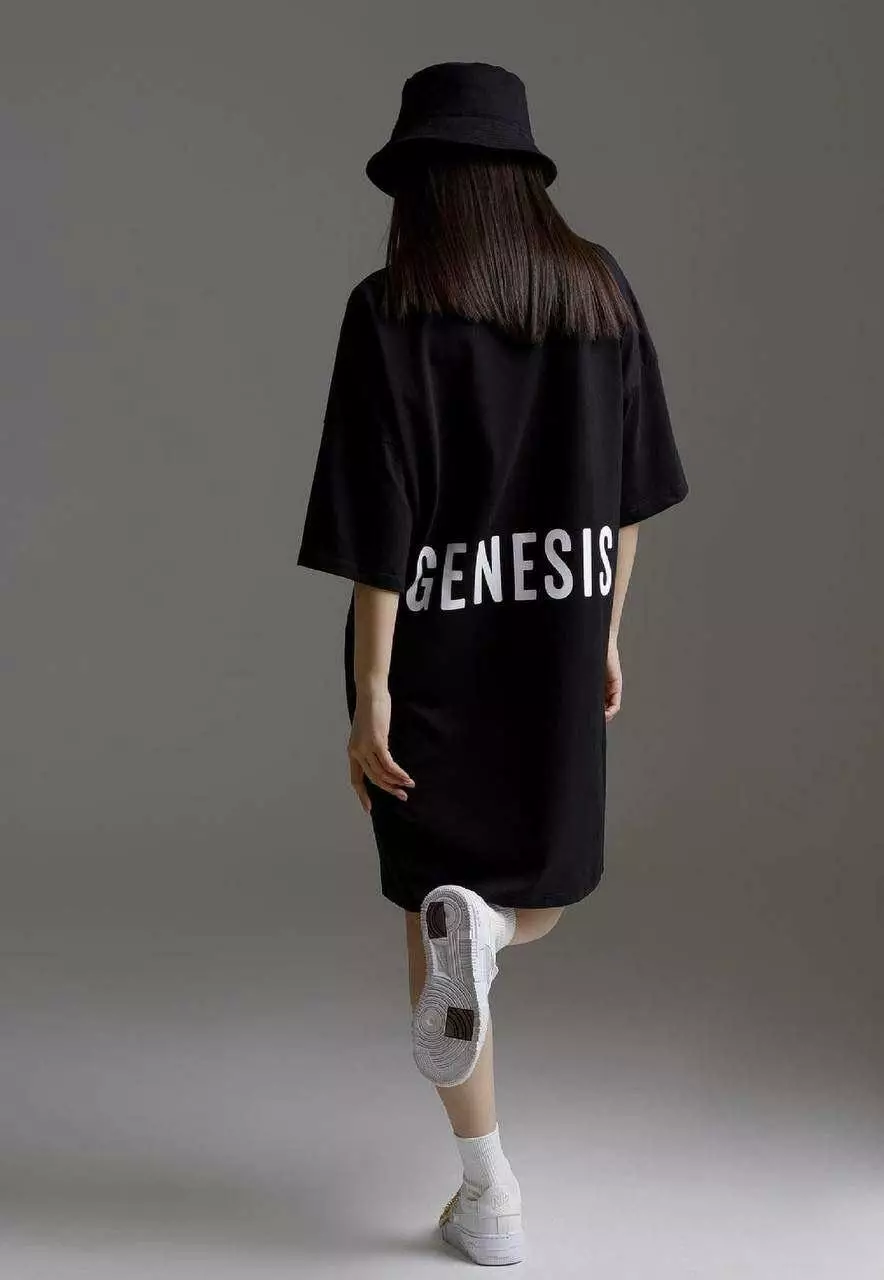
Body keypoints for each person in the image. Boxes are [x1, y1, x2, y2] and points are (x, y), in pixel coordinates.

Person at [297, 60, 689, 1266]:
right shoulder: (598, 289)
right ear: (522, 175)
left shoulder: (390, 306)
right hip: (553, 641)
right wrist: (604, 626)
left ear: (422, 183)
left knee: (436, 911)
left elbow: (378, 519)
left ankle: (491, 1190)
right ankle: (489, 951)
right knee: (541, 893)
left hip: (431, 648)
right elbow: (628, 491)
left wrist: (370, 694)